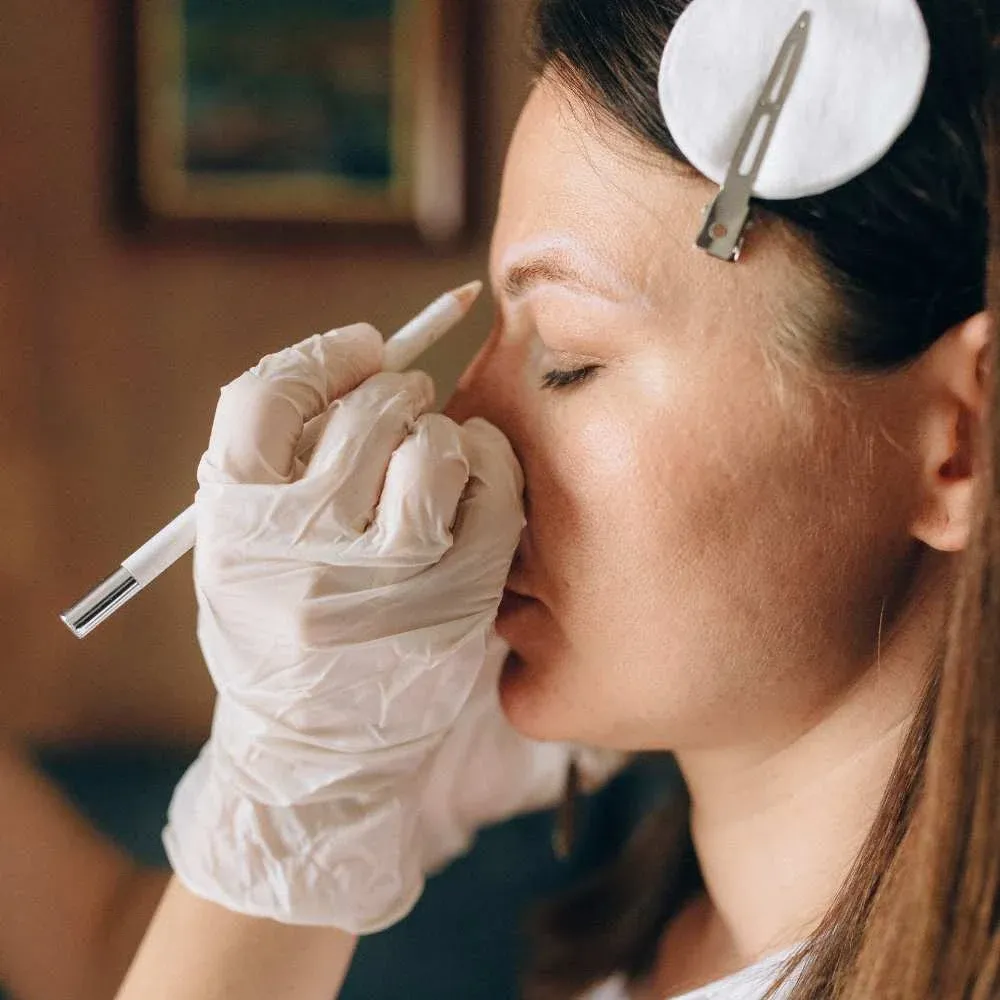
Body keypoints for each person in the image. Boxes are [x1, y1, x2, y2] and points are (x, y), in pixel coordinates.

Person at [113, 0, 1000, 998]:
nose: (465, 422)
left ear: (958, 440)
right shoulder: (661, 940)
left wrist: (294, 803)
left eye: (570, 360)